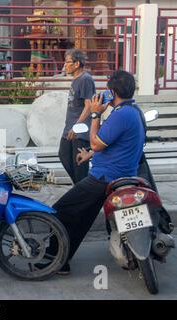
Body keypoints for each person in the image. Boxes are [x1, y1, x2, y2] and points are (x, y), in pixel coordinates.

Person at [52, 70, 145, 275]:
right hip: (120, 174)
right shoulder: (134, 111)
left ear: (112, 91)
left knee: (61, 210)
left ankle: (52, 259)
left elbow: (96, 141)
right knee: (82, 217)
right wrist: (90, 154)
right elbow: (111, 143)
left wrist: (95, 114)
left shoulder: (121, 115)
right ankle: (62, 261)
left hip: (105, 177)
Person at [58, 49, 95, 184]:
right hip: (70, 127)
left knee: (79, 166)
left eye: (68, 62)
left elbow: (89, 105)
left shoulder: (86, 79)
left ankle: (83, 190)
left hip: (80, 130)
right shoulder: (76, 80)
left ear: (77, 63)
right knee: (64, 155)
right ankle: (80, 189)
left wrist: (76, 126)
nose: (65, 65)